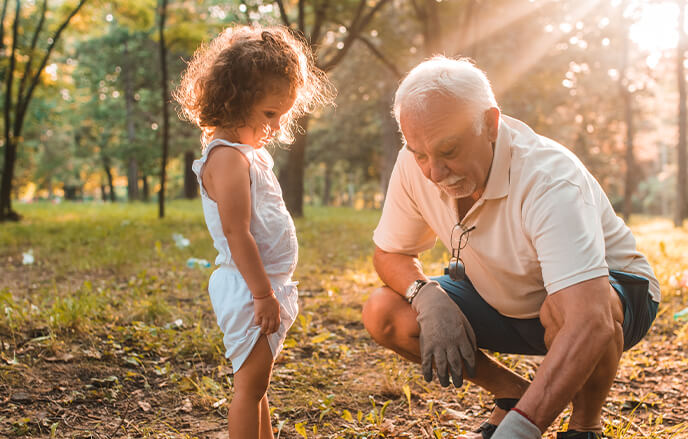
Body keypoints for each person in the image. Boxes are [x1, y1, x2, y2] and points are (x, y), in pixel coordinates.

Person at [362, 56, 660, 439]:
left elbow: (590, 318)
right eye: (420, 154)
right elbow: (390, 253)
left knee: (574, 308)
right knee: (384, 309)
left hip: (606, 297)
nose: (433, 173)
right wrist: (426, 296)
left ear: (489, 123)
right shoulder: (414, 161)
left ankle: (584, 427)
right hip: (502, 295)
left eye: (448, 150)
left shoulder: (548, 178)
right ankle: (513, 394)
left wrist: (520, 431)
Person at [173, 25, 333, 438]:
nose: (277, 126)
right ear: (234, 99)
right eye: (269, 114)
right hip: (250, 289)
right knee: (249, 387)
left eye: (283, 115)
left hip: (263, 287)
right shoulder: (227, 159)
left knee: (259, 385)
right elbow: (236, 233)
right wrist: (262, 294)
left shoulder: (246, 154)